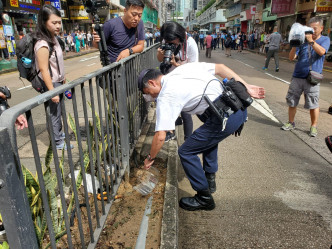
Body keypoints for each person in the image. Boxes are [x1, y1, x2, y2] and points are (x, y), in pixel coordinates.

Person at [138, 62, 265, 211]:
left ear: (152, 82)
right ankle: (210, 180)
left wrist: (150, 158)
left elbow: (160, 136)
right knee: (207, 140)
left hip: (225, 117)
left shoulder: (166, 94)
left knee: (186, 151)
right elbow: (220, 68)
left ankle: (204, 198)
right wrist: (246, 86)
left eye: (148, 92)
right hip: (236, 106)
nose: (151, 97)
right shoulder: (183, 69)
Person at [281, 17, 330, 137]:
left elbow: (322, 52)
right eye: (310, 28)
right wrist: (294, 45)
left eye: (315, 28)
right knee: (292, 101)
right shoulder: (302, 40)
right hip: (298, 76)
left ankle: (313, 126)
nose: (312, 31)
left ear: (321, 28)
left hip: (313, 77)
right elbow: (292, 58)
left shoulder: (325, 39)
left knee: (313, 104)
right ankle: (291, 122)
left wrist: (311, 41)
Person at [34, 4, 73, 150]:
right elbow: (44, 69)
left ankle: (59, 135)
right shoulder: (43, 43)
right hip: (51, 84)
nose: (58, 25)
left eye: (59, 22)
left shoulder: (53, 39)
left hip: (58, 82)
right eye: (54, 22)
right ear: (44, 23)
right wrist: (52, 91)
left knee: (59, 111)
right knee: (54, 114)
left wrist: (62, 78)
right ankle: (57, 142)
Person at [157, 21, 199, 141]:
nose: (170, 44)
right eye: (168, 42)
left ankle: (188, 139)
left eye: (172, 42)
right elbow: (160, 60)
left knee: (186, 112)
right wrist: (160, 54)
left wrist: (176, 64)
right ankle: (170, 132)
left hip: (185, 81)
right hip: (170, 78)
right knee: (169, 107)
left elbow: (194, 68)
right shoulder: (167, 40)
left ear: (179, 37)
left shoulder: (190, 43)